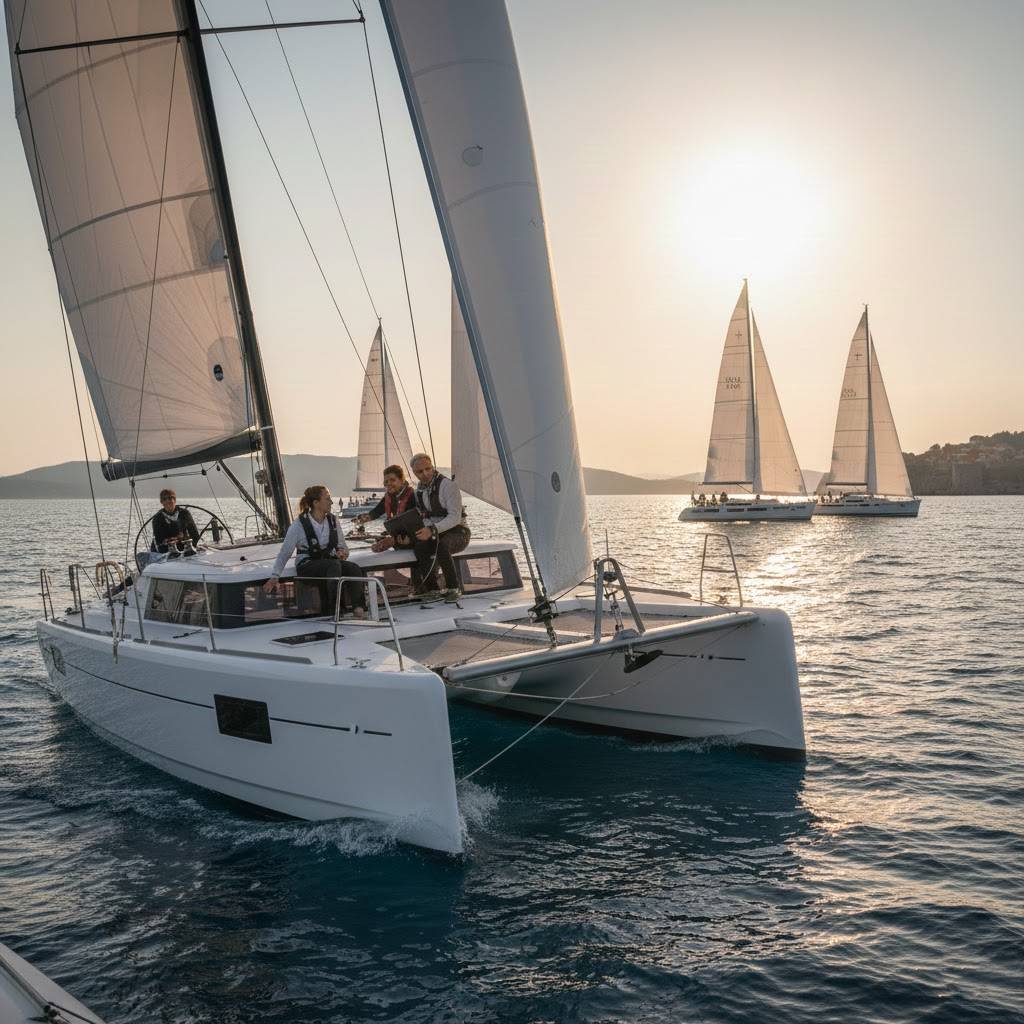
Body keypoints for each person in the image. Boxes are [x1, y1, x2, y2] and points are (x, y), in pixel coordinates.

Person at [263, 485, 367, 617]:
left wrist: (342, 552)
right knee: (333, 565)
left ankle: (359, 608)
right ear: (316, 503)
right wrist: (275, 576)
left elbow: (343, 546)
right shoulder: (298, 525)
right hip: (307, 566)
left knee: (353, 568)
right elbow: (285, 552)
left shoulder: (333, 521)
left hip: (328, 564)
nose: (331, 502)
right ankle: (336, 611)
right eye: (328, 498)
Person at [409, 453, 470, 603]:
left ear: (432, 467)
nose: (425, 474)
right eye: (420, 472)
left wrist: (432, 530)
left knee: (442, 547)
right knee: (420, 548)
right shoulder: (419, 490)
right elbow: (425, 516)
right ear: (414, 473)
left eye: (428, 469)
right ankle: (432, 589)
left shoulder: (449, 486)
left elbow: (455, 518)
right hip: (436, 531)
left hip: (459, 532)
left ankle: (453, 588)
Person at [355, 465, 417, 553]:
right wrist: (364, 518)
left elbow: (414, 526)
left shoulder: (412, 497)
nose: (388, 484)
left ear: (402, 480)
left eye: (392, 480)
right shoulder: (389, 496)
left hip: (414, 541)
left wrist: (391, 541)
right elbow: (376, 512)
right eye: (386, 481)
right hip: (399, 540)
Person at [152, 489, 200, 555]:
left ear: (175, 500)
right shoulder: (158, 518)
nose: (168, 501)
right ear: (161, 502)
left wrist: (191, 544)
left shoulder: (184, 513)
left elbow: (195, 535)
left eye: (171, 498)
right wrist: (174, 540)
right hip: (165, 551)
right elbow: (159, 540)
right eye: (165, 499)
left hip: (185, 547)